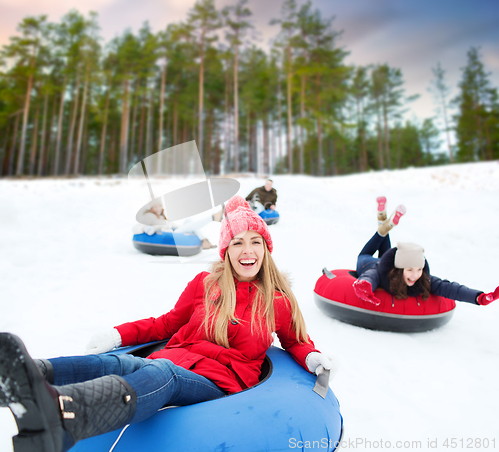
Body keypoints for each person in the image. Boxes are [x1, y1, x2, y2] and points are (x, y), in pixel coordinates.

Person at [0, 195, 330, 452]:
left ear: (266, 249)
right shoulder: (206, 283)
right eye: (238, 242)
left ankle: (65, 416)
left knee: (162, 375)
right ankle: (27, 374)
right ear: (227, 250)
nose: (247, 250)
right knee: (121, 363)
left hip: (220, 383)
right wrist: (118, 334)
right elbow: (166, 324)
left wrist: (312, 357)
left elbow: (295, 341)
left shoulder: (277, 301)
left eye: (255, 242)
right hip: (176, 357)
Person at [352, 197, 499, 307]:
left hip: (387, 261)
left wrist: (479, 297)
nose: (415, 275)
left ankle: (383, 223)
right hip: (367, 263)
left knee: (383, 238)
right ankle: (383, 227)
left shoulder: (421, 279)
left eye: (419, 269)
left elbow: (448, 287)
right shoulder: (378, 272)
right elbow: (369, 277)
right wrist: (364, 285)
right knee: (367, 252)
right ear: (399, 269)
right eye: (410, 270)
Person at [134, 201, 223, 249]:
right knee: (189, 226)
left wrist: (181, 227)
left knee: (189, 221)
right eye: (155, 207)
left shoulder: (161, 217)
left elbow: (171, 224)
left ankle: (204, 241)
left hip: (172, 232)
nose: (158, 209)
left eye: (159, 206)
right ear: (151, 208)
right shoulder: (150, 216)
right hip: (169, 236)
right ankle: (213, 218)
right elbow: (137, 227)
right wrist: (146, 229)